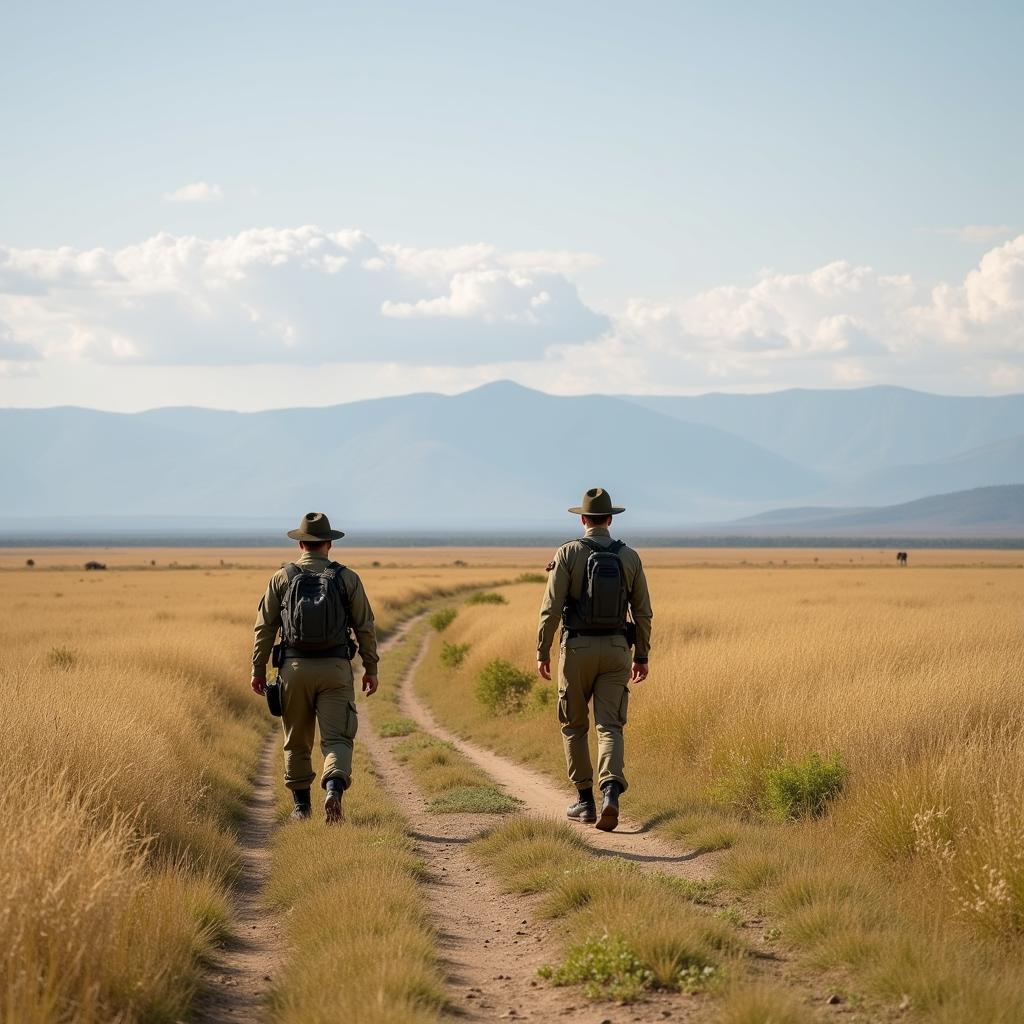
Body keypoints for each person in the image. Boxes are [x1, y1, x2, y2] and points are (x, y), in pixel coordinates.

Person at [251, 512, 379, 823]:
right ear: (329, 544)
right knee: (338, 738)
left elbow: (264, 628)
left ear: (301, 545)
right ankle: (333, 789)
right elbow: (365, 627)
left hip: (293, 670)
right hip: (335, 668)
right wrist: (371, 668)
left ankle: (301, 807)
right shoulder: (348, 578)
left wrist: (257, 669)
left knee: (296, 739)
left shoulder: (282, 578)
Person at [537, 488, 653, 832]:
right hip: (618, 650)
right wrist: (642, 655)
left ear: (583, 519)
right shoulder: (630, 557)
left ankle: (585, 802)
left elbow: (550, 609)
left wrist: (542, 651)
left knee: (574, 726)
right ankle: (611, 793)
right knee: (610, 726)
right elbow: (643, 613)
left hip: (577, 651)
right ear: (611, 519)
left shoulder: (568, 552)